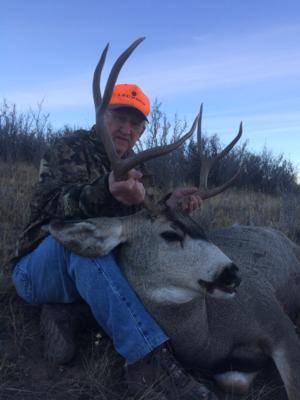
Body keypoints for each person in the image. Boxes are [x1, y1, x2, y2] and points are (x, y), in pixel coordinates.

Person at [11, 84, 214, 400]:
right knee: (86, 243)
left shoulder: (137, 167)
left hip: (91, 273)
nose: (126, 129)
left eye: (135, 124)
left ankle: (66, 314)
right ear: (101, 114)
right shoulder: (68, 147)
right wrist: (104, 190)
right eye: (119, 117)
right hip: (37, 268)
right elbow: (49, 205)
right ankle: (149, 362)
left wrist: (167, 204)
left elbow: (137, 224)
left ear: (143, 129)